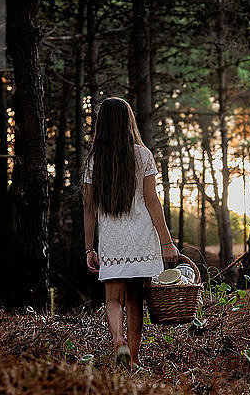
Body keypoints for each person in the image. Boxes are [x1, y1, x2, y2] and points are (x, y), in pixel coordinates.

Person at [83, 97, 179, 369]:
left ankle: (118, 340)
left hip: (112, 239)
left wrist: (89, 248)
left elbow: (89, 208)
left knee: (113, 298)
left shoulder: (93, 161)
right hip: (140, 238)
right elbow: (152, 201)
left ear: (101, 124)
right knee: (136, 300)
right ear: (129, 121)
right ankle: (133, 360)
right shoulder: (143, 155)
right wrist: (166, 242)